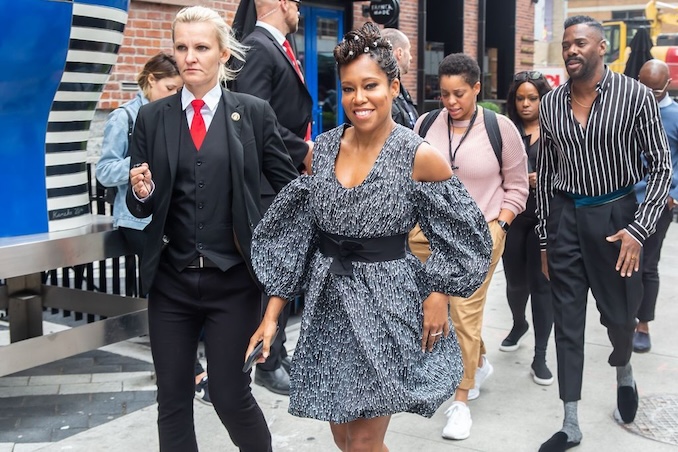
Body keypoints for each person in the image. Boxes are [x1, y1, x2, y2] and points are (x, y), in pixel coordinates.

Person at [246, 22, 492, 452]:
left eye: (371, 85)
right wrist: (271, 315)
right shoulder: (320, 151)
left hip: (387, 303)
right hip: (328, 307)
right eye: (348, 89)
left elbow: (465, 236)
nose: (358, 99)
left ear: (394, 87)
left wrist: (438, 294)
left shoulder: (418, 156)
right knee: (342, 436)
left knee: (363, 442)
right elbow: (297, 239)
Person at [126, 6, 298, 451]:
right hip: (172, 282)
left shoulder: (254, 113)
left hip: (234, 282)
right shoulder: (153, 117)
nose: (190, 57)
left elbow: (290, 191)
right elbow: (138, 202)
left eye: (201, 47)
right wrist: (141, 192)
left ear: (223, 54)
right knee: (173, 398)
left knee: (229, 393)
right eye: (182, 47)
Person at [536, 16, 671, 452]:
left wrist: (639, 229)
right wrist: (544, 238)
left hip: (617, 220)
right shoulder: (551, 104)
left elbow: (661, 166)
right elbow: (549, 175)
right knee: (567, 323)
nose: (571, 50)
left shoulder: (634, 96)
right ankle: (570, 421)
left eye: (580, 43)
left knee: (618, 318)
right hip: (566, 219)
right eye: (566, 45)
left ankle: (624, 368)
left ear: (601, 49)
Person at [410, 53, 528, 441]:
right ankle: (478, 360)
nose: (450, 102)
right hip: (427, 234)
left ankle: (460, 400)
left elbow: (517, 186)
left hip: (480, 234)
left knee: (462, 311)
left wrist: (501, 226)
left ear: (476, 88)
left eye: (458, 93)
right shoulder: (425, 123)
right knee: (436, 308)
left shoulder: (501, 128)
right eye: (443, 93)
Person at [95, 53, 213, 406]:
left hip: (168, 218)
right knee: (168, 290)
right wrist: (137, 170)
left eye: (179, 89)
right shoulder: (124, 117)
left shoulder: (173, 117)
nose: (174, 94)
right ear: (149, 80)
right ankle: (190, 371)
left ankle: (186, 366)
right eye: (169, 87)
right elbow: (104, 170)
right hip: (137, 222)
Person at [231, 0, 313, 395]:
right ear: (282, 2)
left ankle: (275, 352)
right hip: (264, 184)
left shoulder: (276, 46)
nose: (299, 11)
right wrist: (303, 151)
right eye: (296, 3)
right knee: (270, 273)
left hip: (279, 178)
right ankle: (268, 362)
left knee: (279, 271)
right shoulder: (259, 48)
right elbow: (253, 117)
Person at [500, 70, 554, 386]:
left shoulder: (556, 132)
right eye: (520, 98)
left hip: (545, 220)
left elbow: (570, 175)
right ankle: (519, 323)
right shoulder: (507, 131)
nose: (525, 104)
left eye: (532, 98)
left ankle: (541, 355)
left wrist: (542, 178)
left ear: (543, 99)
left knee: (542, 287)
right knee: (516, 284)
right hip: (514, 219)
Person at [634, 59, 678, 353]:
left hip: (659, 202)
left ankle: (643, 324)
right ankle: (622, 316)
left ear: (668, 85)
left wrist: (674, 193)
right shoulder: (628, 109)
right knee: (623, 265)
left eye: (655, 91)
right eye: (643, 88)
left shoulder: (674, 115)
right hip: (624, 199)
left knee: (647, 266)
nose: (648, 96)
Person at [381, 27, 419, 129]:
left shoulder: (402, 92)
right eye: (409, 50)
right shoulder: (384, 97)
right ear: (400, 53)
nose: (411, 57)